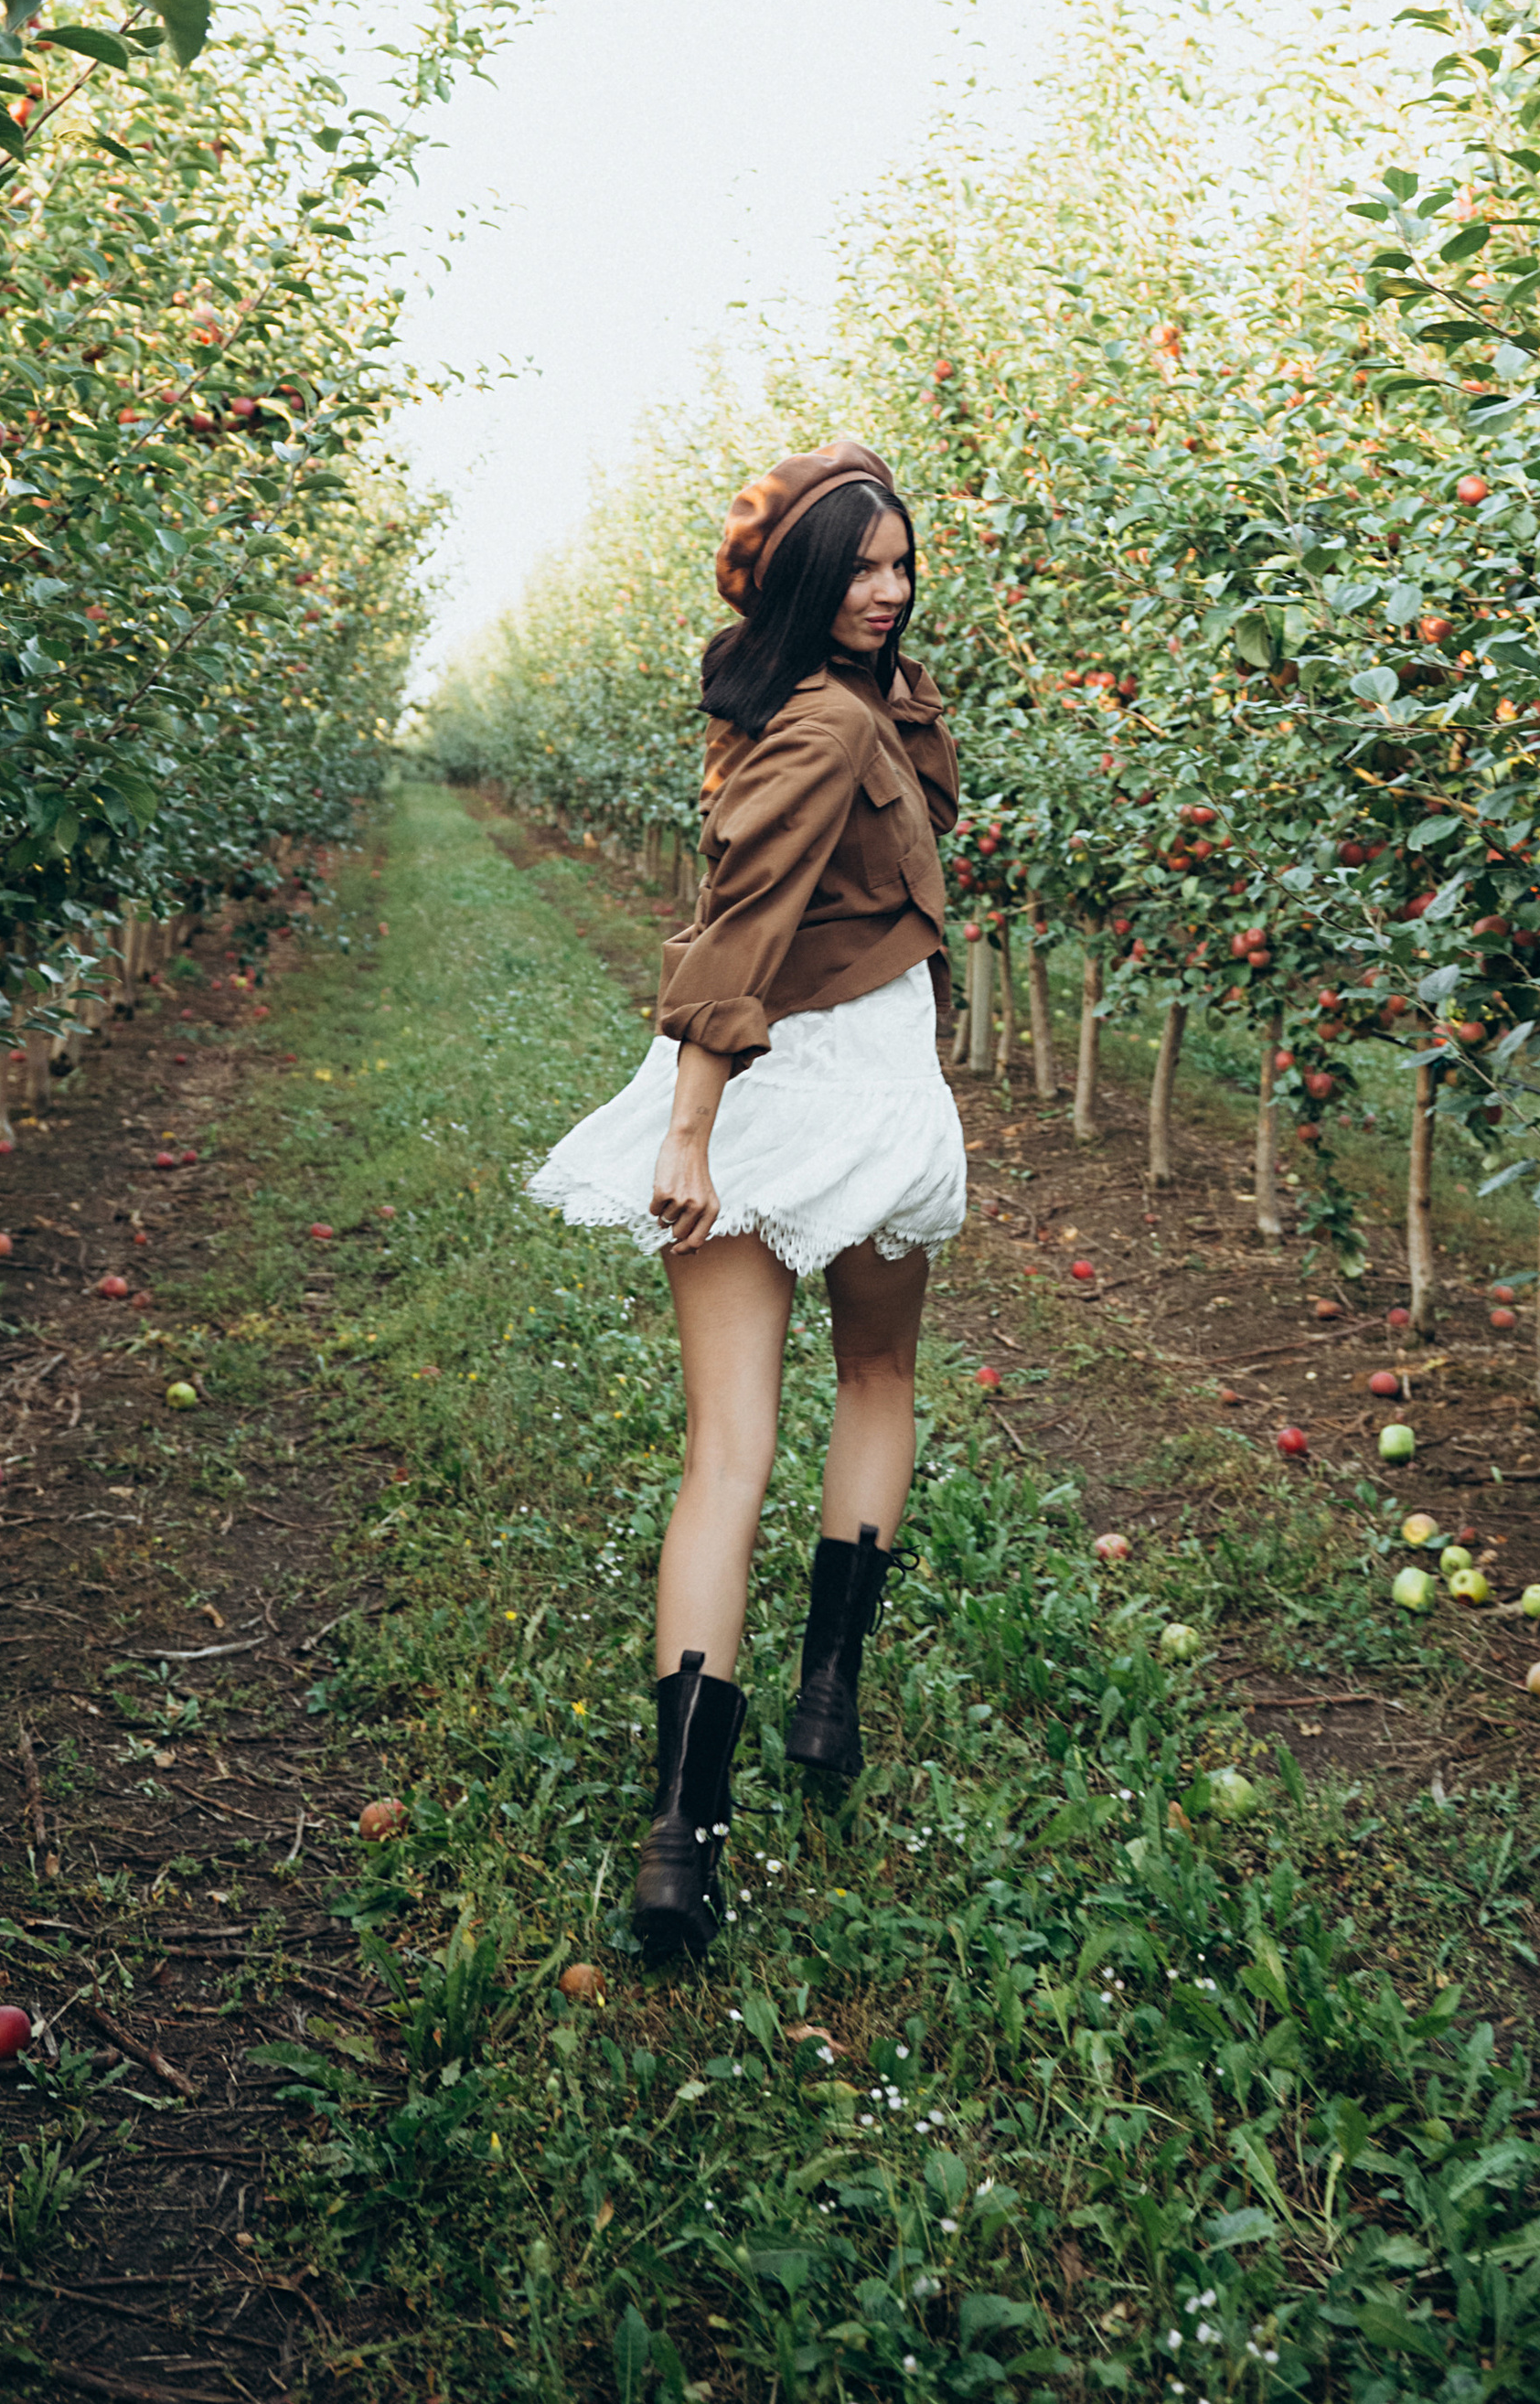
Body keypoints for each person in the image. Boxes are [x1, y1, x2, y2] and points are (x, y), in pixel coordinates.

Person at [529, 435, 967, 1961]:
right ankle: (798, 1719)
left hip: (833, 1081)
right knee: (854, 1386)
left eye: (901, 563)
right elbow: (739, 923)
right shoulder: (834, 726)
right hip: (826, 1084)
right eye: (857, 568)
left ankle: (694, 1825)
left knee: (737, 1446)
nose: (887, 590)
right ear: (803, 581)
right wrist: (691, 1128)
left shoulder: (833, 708)